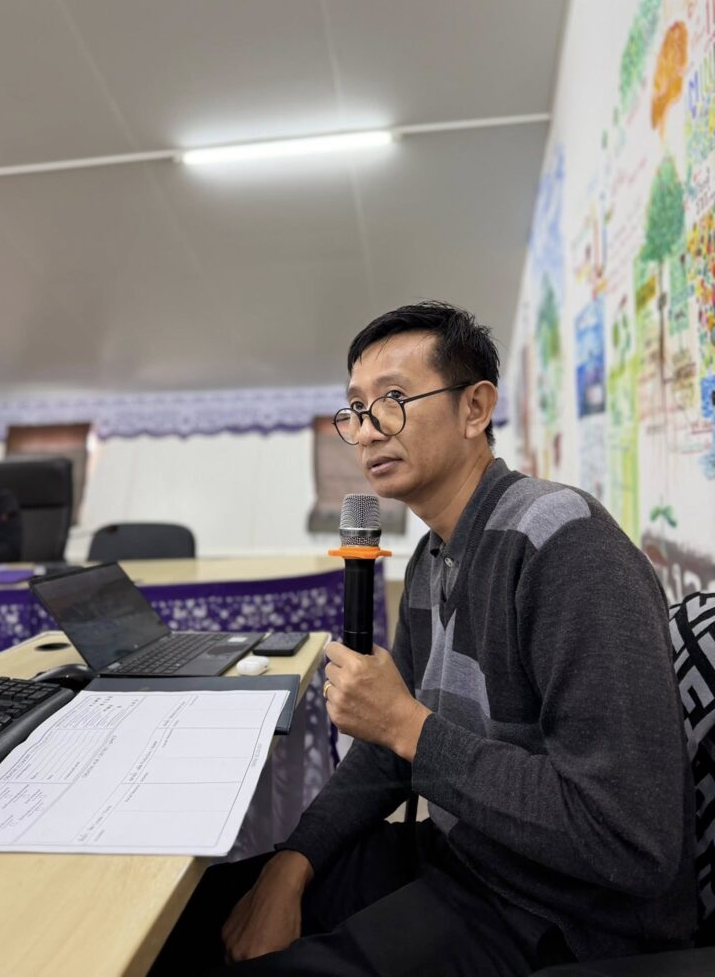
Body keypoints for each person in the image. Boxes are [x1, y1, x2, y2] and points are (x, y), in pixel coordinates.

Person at [151, 302, 696, 976]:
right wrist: (291, 865)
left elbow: (628, 838)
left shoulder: (563, 542)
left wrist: (409, 726)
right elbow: (386, 751)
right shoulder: (431, 559)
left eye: (394, 400)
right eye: (357, 409)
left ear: (475, 409)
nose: (368, 430)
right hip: (463, 856)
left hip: (561, 918)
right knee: (194, 919)